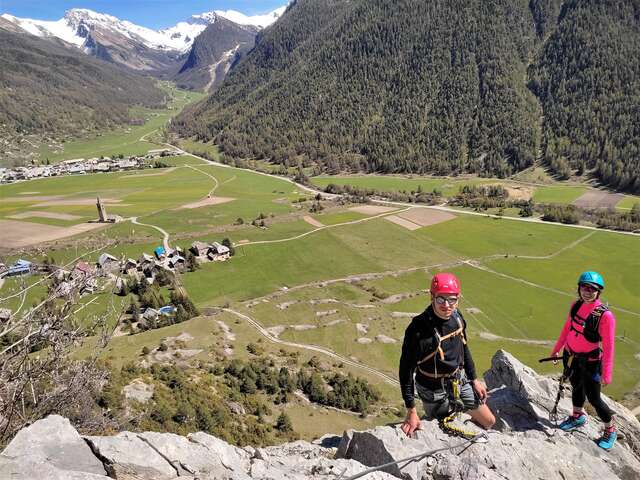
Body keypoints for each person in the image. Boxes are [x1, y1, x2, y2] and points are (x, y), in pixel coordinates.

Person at [399, 272, 495, 437]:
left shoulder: (457, 318)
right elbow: (405, 371)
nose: (447, 305)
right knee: (448, 431)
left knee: (489, 421)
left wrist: (474, 380)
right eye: (441, 299)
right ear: (432, 297)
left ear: (458, 299)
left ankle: (460, 414)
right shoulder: (418, 330)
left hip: (458, 380)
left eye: (452, 299)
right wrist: (411, 411)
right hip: (432, 388)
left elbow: (463, 348)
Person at [550, 271, 617, 450]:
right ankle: (577, 415)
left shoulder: (605, 316)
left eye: (592, 289)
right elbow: (567, 329)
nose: (587, 291)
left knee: (594, 398)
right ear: (579, 288)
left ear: (598, 291)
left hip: (591, 361)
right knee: (576, 387)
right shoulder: (576, 305)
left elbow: (609, 346)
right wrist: (557, 349)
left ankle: (610, 429)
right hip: (571, 356)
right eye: (584, 287)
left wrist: (607, 373)